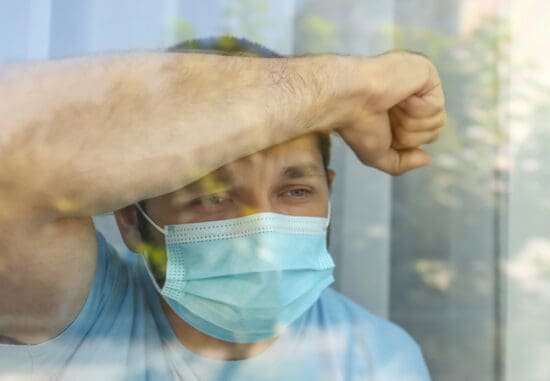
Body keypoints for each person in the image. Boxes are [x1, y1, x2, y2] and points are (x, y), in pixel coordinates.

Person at [0, 36, 447, 380]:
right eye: (213, 197)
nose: (261, 229)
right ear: (132, 220)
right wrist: (348, 88)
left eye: (294, 192)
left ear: (328, 193)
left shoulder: (374, 358)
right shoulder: (74, 317)